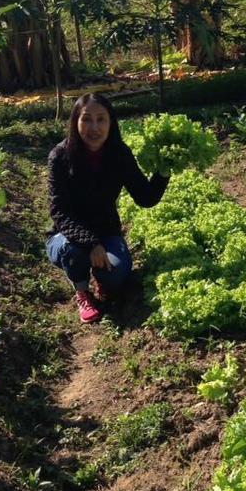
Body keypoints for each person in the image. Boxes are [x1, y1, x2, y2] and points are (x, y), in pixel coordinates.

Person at [47, 93, 169, 323]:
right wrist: (91, 243)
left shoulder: (119, 153)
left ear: (111, 122)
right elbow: (59, 211)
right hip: (66, 236)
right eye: (87, 119)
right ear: (76, 122)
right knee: (74, 253)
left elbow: (145, 197)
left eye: (101, 119)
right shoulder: (60, 157)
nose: (94, 127)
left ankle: (102, 278)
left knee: (116, 276)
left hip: (107, 231)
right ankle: (82, 291)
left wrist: (164, 170)